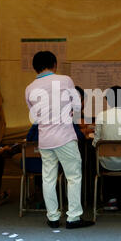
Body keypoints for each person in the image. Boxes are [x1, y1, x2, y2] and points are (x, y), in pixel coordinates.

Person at [25, 51, 94, 229]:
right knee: (73, 176)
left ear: (35, 67)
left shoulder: (29, 88)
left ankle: (53, 217)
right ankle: (73, 217)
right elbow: (77, 106)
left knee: (48, 178)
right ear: (54, 64)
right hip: (64, 136)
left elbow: (34, 115)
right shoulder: (64, 80)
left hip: (45, 140)